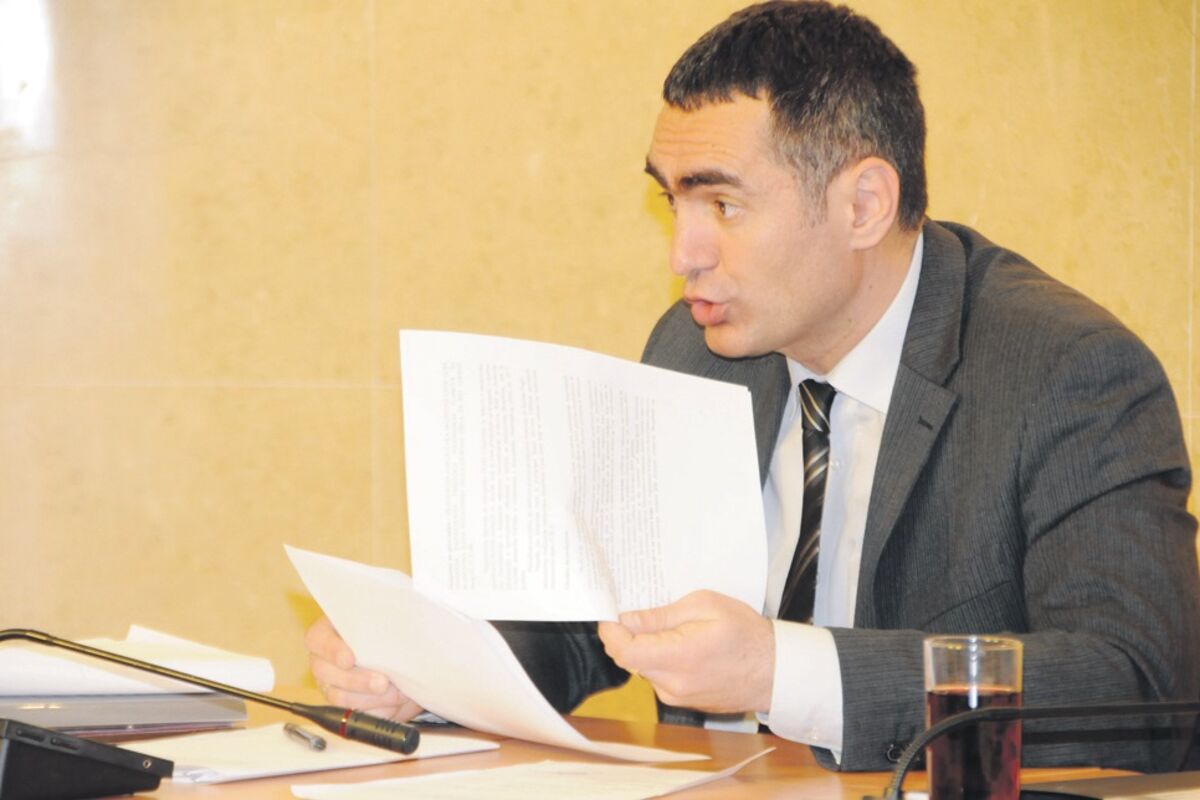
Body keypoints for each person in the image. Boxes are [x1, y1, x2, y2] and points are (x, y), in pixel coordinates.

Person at [306, 0, 1200, 772]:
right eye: (673, 202)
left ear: (863, 205)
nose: (682, 254)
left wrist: (780, 671)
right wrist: (427, 666)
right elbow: (597, 626)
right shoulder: (697, 348)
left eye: (723, 205)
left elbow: (1143, 691)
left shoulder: (1065, 370)